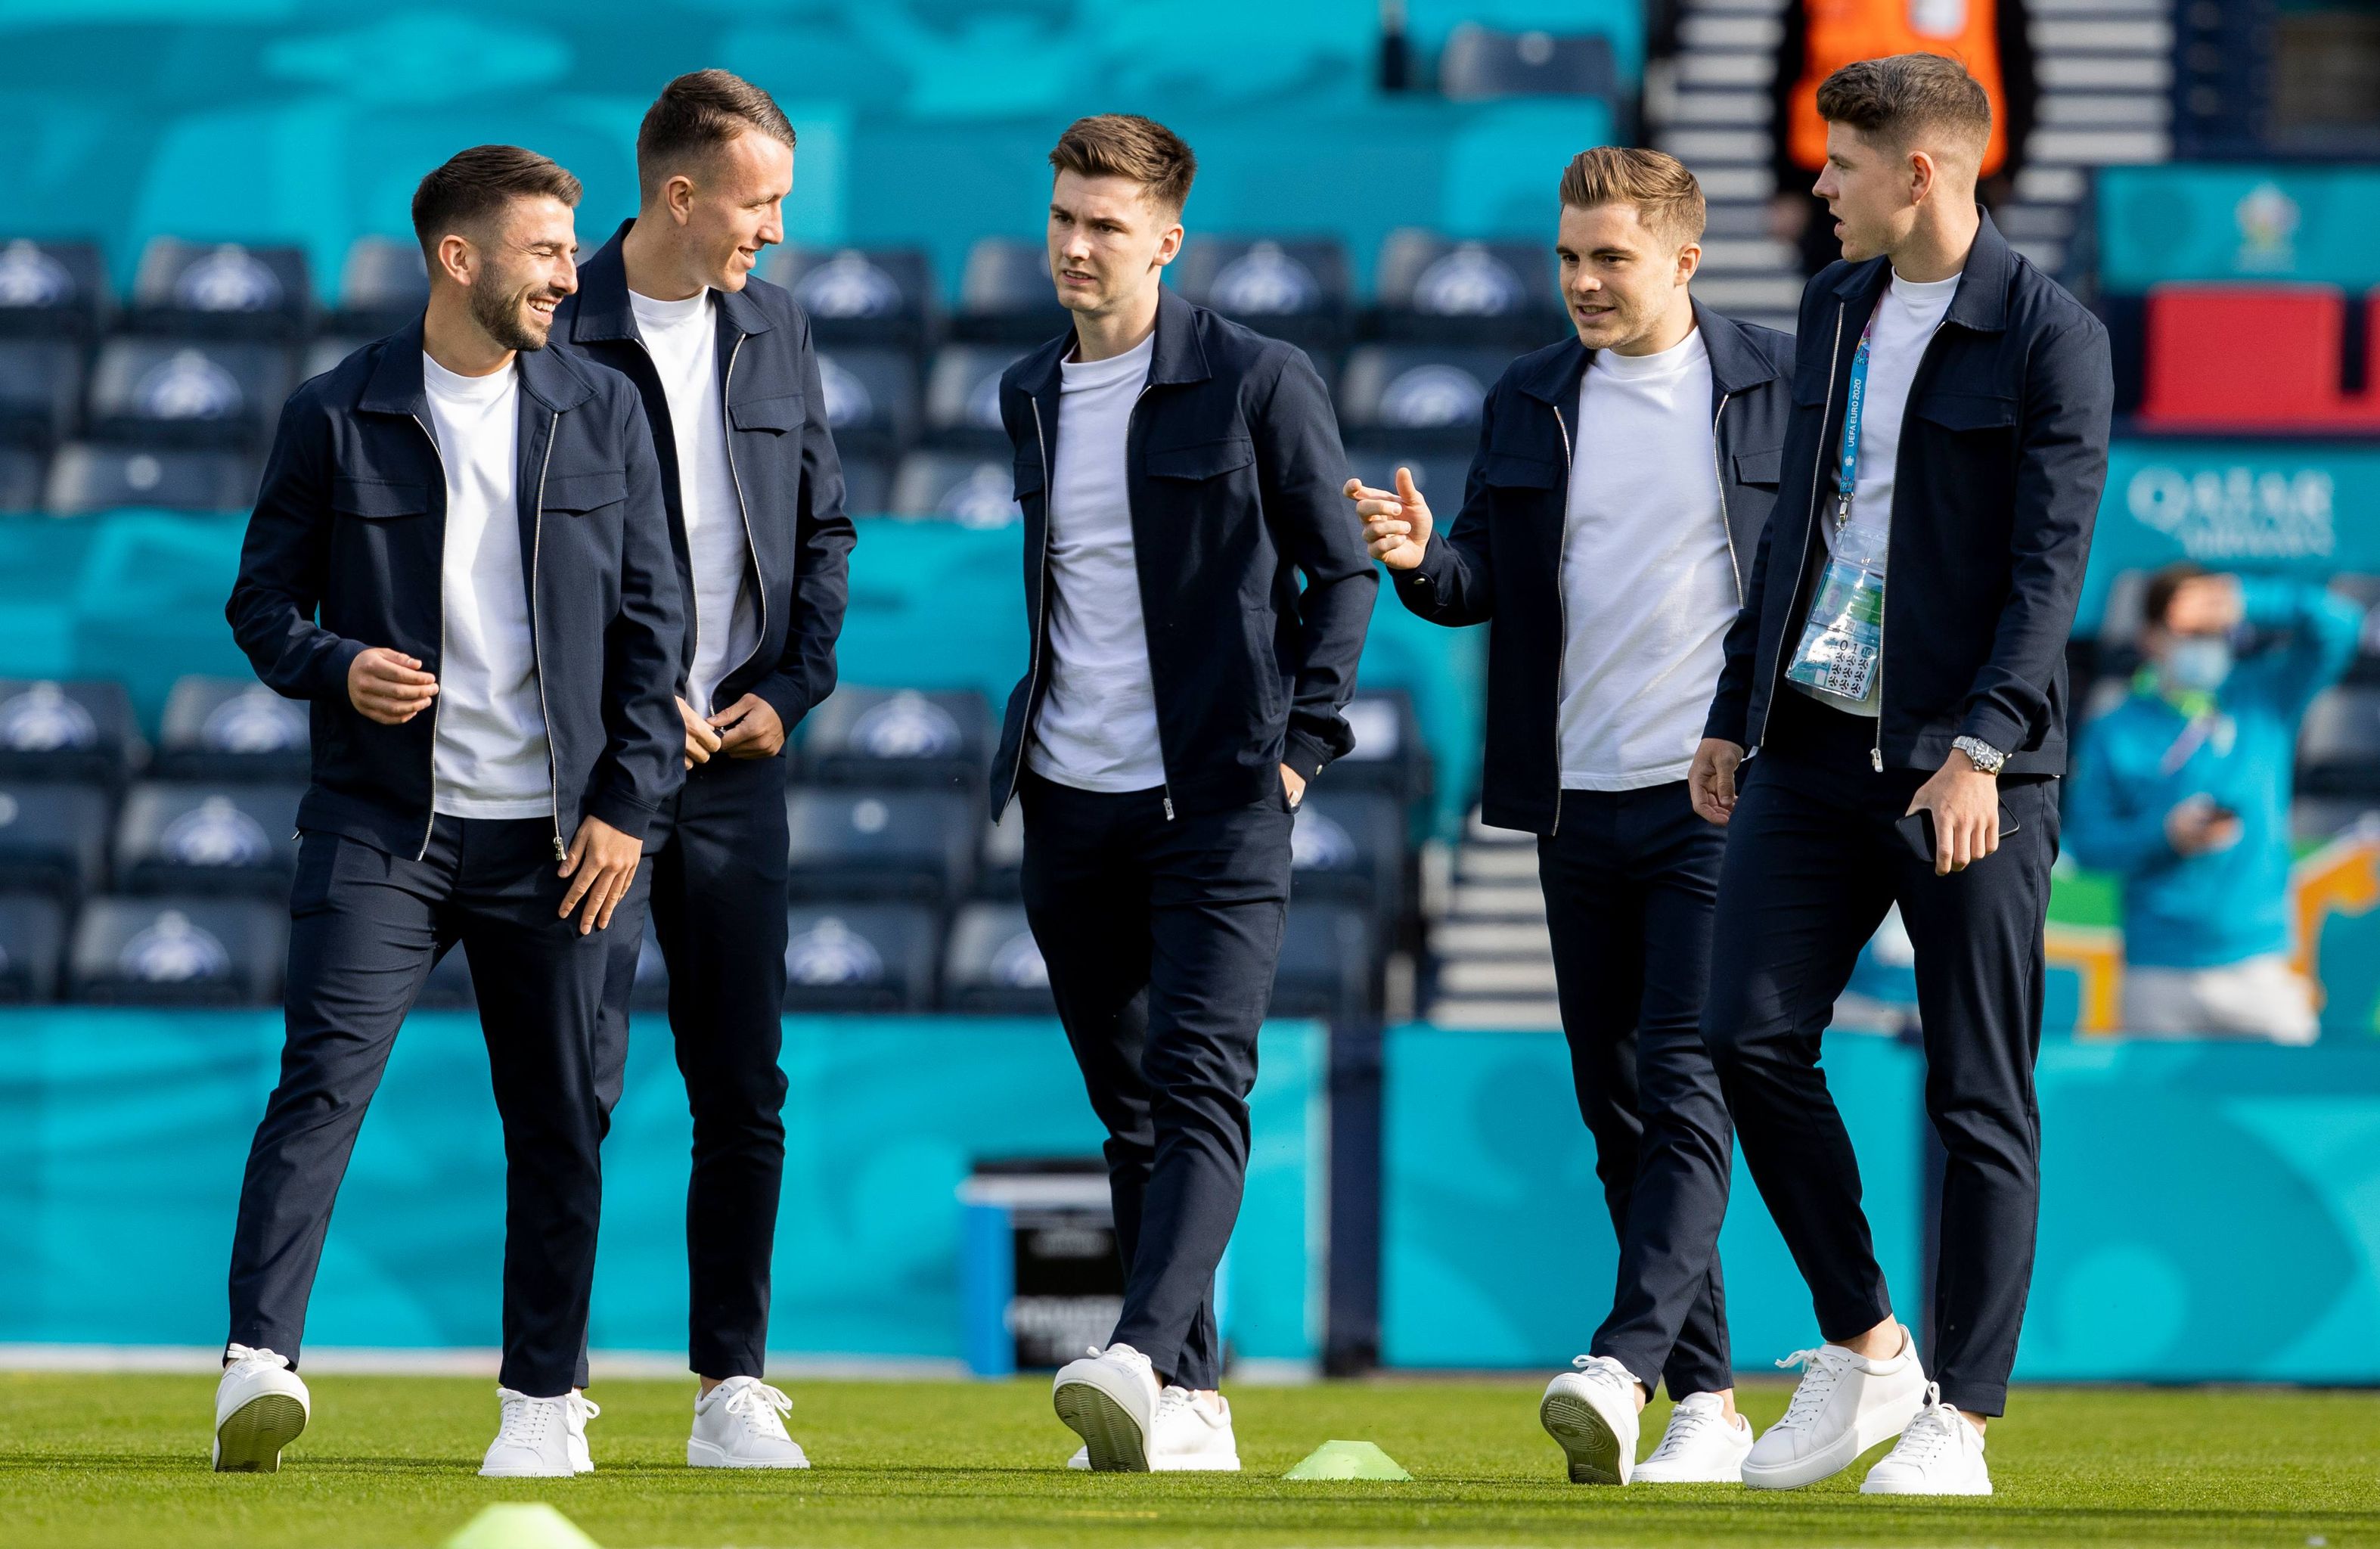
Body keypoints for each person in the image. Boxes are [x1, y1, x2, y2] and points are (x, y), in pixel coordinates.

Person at [216, 145, 683, 1477]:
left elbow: (660, 634)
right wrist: (334, 665)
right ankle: (258, 1364)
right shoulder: (334, 409)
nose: (568, 273)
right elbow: (261, 606)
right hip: (382, 830)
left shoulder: (605, 409)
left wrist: (626, 810)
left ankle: (543, 1402)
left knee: (559, 1120)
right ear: (457, 258)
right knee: (321, 1086)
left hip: (563, 839)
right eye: (543, 250)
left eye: (569, 249)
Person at [1686, 54, 2112, 1495]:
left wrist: (1983, 744)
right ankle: (1871, 1350)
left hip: (1969, 767)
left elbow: (2048, 569)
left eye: (1840, 165)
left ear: (1917, 171)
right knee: (1740, 1031)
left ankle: (1964, 1418)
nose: (1817, 188)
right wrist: (1734, 707)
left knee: (1977, 1091)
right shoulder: (1830, 305)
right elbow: (1804, 523)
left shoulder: (2050, 335)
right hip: (1806, 739)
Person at [1351, 147, 1792, 1486]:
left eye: (1610, 257)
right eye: (1569, 257)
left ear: (1682, 259)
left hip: (1718, 797)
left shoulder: (1776, 384)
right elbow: (1480, 579)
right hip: (1570, 803)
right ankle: (1709, 1408)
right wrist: (1424, 560)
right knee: (1615, 1112)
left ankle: (1622, 1358)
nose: (1584, 281)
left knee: (1681, 1084)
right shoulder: (1529, 397)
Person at [994, 113, 1376, 1472]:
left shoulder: (1257, 378)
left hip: (1219, 799)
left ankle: (1140, 1350)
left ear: (1166, 238)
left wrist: (1299, 748)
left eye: (1104, 224)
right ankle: (1196, 1397)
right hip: (1065, 799)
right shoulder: (1026, 388)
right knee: (1131, 1109)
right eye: (1062, 219)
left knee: (1202, 1077)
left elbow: (1342, 572)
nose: (1076, 245)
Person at [553, 69, 854, 1470]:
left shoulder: (776, 329)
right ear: (681, 196)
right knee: (576, 1080)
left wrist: (785, 691)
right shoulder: (554, 331)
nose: (775, 233)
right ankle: (546, 1385)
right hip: (595, 781)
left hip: (734, 771)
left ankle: (730, 1382)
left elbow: (827, 532)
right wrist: (622, 707)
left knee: (743, 1083)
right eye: (761, 203)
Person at [2065, 565, 2364, 1041]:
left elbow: (2341, 624)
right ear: (2149, 638)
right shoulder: (2115, 729)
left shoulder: (2263, 697)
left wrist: (2247, 598)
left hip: (2258, 965)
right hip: (2156, 972)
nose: (2204, 643)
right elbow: (2090, 844)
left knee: (2289, 1107)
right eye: (2188, 631)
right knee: (2154, 1117)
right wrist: (2165, 835)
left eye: (2214, 629)